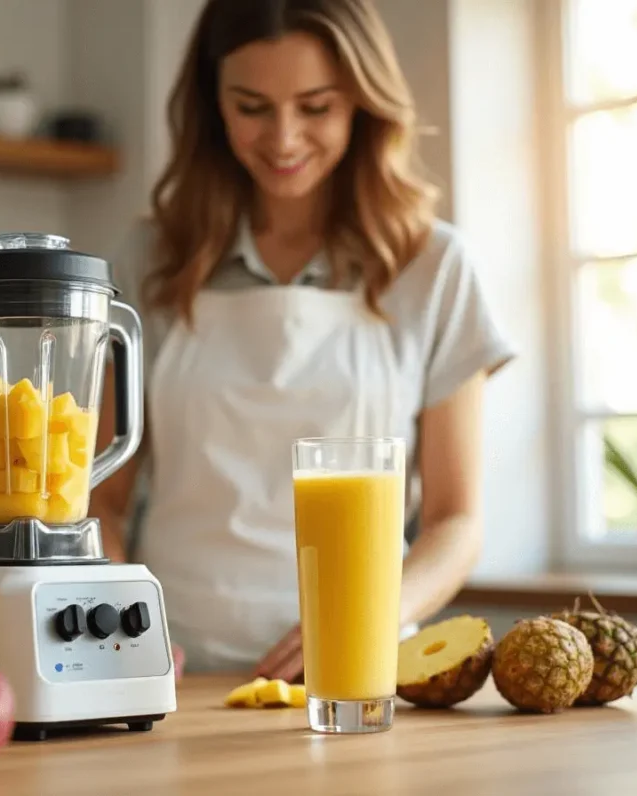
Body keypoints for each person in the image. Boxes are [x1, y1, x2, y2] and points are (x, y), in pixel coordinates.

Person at [89, 0, 515, 682]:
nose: (284, 139)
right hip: (169, 669)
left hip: (360, 674)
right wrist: (117, 620)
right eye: (252, 107)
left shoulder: (433, 266)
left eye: (315, 107)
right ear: (212, 105)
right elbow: (100, 499)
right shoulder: (150, 259)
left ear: (362, 104)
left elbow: (455, 519)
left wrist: (369, 620)